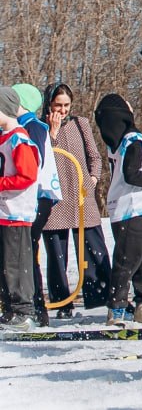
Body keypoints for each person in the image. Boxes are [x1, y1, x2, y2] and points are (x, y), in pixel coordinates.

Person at [96, 93, 142, 325]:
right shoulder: (134, 140)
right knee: (128, 259)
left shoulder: (116, 143)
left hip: (126, 208)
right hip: (133, 207)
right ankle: (117, 307)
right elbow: (132, 175)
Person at [39, 83, 112, 316]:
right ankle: (62, 302)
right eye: (57, 105)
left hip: (82, 197)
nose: (62, 110)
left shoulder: (80, 124)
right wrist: (53, 132)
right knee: (57, 254)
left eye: (66, 106)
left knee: (93, 248)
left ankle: (98, 297)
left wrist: (91, 180)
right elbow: (42, 157)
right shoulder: (40, 127)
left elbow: (94, 157)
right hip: (55, 200)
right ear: (48, 105)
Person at [13, 84, 59, 325]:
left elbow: (35, 160)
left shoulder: (33, 126)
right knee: (23, 251)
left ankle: (33, 308)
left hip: (38, 195)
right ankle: (32, 307)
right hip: (32, 196)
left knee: (24, 251)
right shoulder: (24, 126)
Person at [0, 85, 40, 331]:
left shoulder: (19, 137)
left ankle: (24, 311)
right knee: (5, 265)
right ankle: (9, 310)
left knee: (16, 264)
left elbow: (28, 175)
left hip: (17, 212)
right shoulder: (4, 137)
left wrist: (2, 183)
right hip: (3, 213)